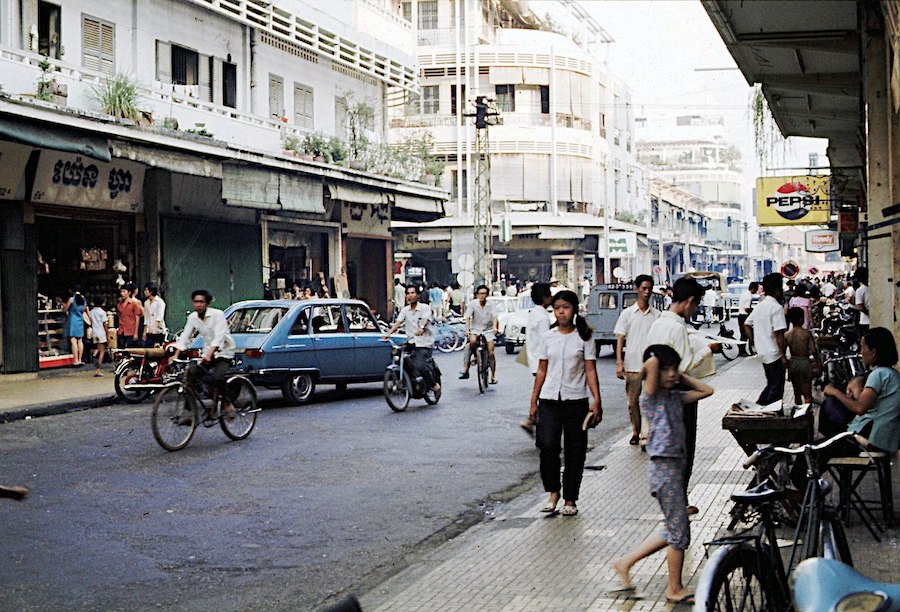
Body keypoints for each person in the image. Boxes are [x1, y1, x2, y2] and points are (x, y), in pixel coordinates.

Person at [612, 344, 713, 605]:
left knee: (673, 529)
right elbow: (650, 368)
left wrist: (680, 375)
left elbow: (708, 390)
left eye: (674, 369)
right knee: (680, 533)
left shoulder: (675, 397)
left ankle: (625, 563)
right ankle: (674, 588)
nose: (670, 374)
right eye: (665, 370)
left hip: (674, 469)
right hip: (664, 469)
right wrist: (656, 362)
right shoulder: (651, 398)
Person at [647, 276, 720, 514]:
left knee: (670, 445)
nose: (695, 309)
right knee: (684, 447)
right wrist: (707, 350)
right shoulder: (677, 327)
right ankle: (680, 499)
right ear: (689, 301)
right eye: (696, 304)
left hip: (659, 393)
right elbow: (685, 366)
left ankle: (675, 497)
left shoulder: (658, 323)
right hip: (679, 392)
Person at [792, 328, 900, 487]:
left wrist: (834, 392)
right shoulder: (892, 374)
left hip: (867, 439)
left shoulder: (878, 375)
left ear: (874, 352)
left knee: (810, 452)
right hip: (880, 438)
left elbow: (860, 408)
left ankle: (803, 493)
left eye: (863, 347)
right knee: (819, 447)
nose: (861, 352)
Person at [528, 290, 602, 517]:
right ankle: (553, 492)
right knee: (547, 446)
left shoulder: (584, 337)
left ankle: (570, 497)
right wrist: (533, 401)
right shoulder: (548, 336)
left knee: (575, 451)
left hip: (576, 400)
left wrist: (596, 399)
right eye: (557, 308)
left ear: (574, 309)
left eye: (565, 307)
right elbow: (541, 369)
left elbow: (590, 368)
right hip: (549, 399)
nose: (561, 312)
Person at [171, 289, 238, 417]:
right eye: (196, 302)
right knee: (190, 374)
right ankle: (189, 412)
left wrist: (208, 355)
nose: (198, 305)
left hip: (224, 353)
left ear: (207, 303)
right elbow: (185, 336)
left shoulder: (217, 315)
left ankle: (228, 404)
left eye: (201, 302)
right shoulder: (193, 317)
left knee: (216, 378)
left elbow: (219, 337)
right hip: (207, 353)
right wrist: (176, 354)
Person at [614, 274, 660, 447]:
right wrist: (619, 363)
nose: (647, 292)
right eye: (644, 288)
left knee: (649, 401)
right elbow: (620, 338)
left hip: (651, 366)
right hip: (632, 365)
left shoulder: (657, 315)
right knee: (633, 403)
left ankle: (646, 434)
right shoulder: (627, 314)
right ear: (637, 289)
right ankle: (636, 430)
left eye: (649, 288)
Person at [381, 285, 439, 394]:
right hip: (411, 342)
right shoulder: (405, 310)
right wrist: (388, 334)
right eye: (408, 293)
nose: (410, 295)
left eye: (412, 293)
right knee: (397, 355)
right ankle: (410, 378)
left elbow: (425, 319)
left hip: (424, 343)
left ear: (417, 296)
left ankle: (434, 384)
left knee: (420, 366)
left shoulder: (424, 308)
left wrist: (421, 328)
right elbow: (398, 323)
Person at [744, 273, 789, 406]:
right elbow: (779, 334)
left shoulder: (760, 306)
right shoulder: (776, 307)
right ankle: (762, 409)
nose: (782, 291)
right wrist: (783, 356)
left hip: (763, 352)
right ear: (776, 290)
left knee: (771, 384)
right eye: (781, 288)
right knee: (776, 388)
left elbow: (746, 324)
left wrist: (754, 342)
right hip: (774, 353)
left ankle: (760, 408)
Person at [520, 282, 554, 435]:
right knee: (547, 397)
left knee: (543, 395)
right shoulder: (543, 317)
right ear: (545, 297)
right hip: (542, 362)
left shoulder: (534, 313)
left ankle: (537, 424)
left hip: (533, 360)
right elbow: (546, 341)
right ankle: (532, 419)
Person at [459, 285, 499, 384]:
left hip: (488, 330)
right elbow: (468, 317)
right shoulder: (473, 304)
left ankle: (493, 376)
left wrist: (495, 327)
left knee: (491, 353)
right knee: (472, 342)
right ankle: (474, 358)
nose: (482, 296)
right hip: (475, 329)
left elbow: (494, 317)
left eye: (484, 293)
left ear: (487, 295)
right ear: (477, 295)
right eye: (480, 293)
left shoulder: (491, 305)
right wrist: (467, 330)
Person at [785, 306, 818, 404]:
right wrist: (816, 363)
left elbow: (782, 350)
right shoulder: (806, 333)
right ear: (801, 319)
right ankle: (807, 414)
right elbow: (814, 350)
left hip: (793, 362)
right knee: (807, 392)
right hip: (805, 362)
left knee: (797, 392)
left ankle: (798, 414)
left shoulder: (787, 335)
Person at [64, 286, 87, 366]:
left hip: (72, 321)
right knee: (80, 341)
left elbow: (65, 309)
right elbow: (84, 309)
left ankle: (75, 360)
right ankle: (80, 359)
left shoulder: (71, 299)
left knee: (73, 341)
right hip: (80, 321)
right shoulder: (83, 299)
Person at [116, 284, 142, 349]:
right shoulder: (119, 305)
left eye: (124, 291)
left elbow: (137, 319)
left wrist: (136, 333)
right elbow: (119, 317)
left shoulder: (134, 304)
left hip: (131, 330)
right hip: (121, 330)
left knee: (131, 349)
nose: (122, 293)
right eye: (121, 292)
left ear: (129, 292)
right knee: (121, 349)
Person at [89, 296, 109, 377]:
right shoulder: (102, 312)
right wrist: (107, 334)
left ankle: (94, 356)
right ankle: (98, 370)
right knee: (102, 351)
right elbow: (105, 324)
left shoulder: (91, 312)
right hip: (101, 333)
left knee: (96, 348)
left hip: (94, 332)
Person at [142, 283, 167, 347]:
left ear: (151, 291)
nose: (144, 292)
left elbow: (160, 317)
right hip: (149, 331)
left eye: (146, 290)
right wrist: (145, 331)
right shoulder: (146, 303)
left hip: (158, 331)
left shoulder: (160, 302)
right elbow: (146, 318)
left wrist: (153, 327)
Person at [737, 282, 758, 349]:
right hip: (744, 316)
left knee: (742, 334)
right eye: (756, 290)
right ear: (754, 289)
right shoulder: (749, 296)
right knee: (746, 334)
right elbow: (746, 309)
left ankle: (742, 349)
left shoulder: (743, 294)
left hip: (740, 315)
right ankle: (743, 349)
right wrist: (753, 311)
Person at [854, 267, 870, 333]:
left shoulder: (859, 290)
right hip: (871, 320)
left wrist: (870, 314)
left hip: (865, 321)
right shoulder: (874, 287)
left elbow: (860, 307)